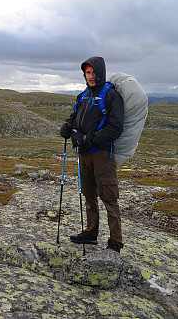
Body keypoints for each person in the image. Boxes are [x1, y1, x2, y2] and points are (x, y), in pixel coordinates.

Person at [60, 56, 124, 253]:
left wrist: (90, 139)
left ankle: (115, 242)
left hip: (102, 154)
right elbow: (74, 118)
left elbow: (115, 128)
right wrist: (68, 126)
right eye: (88, 72)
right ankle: (91, 232)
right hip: (84, 155)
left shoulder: (111, 96)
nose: (91, 76)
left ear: (101, 72)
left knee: (109, 197)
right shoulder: (83, 96)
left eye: (94, 72)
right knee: (88, 195)